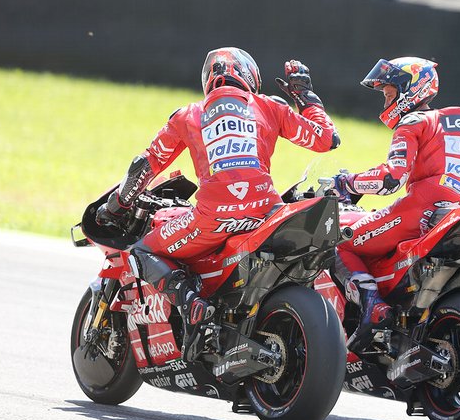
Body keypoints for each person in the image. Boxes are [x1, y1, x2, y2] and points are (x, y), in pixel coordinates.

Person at [95, 47, 340, 361]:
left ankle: (191, 304)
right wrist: (305, 94)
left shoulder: (187, 115)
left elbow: (145, 165)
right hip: (267, 214)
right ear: (250, 76)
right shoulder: (271, 106)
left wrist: (116, 204)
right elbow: (327, 140)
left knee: (141, 251)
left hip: (212, 219)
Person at [331, 56, 460, 353]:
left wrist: (347, 183)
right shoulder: (456, 120)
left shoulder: (413, 121)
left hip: (420, 207)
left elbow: (391, 179)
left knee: (340, 242)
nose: (386, 101)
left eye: (390, 93)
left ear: (413, 88)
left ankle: (371, 305)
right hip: (456, 209)